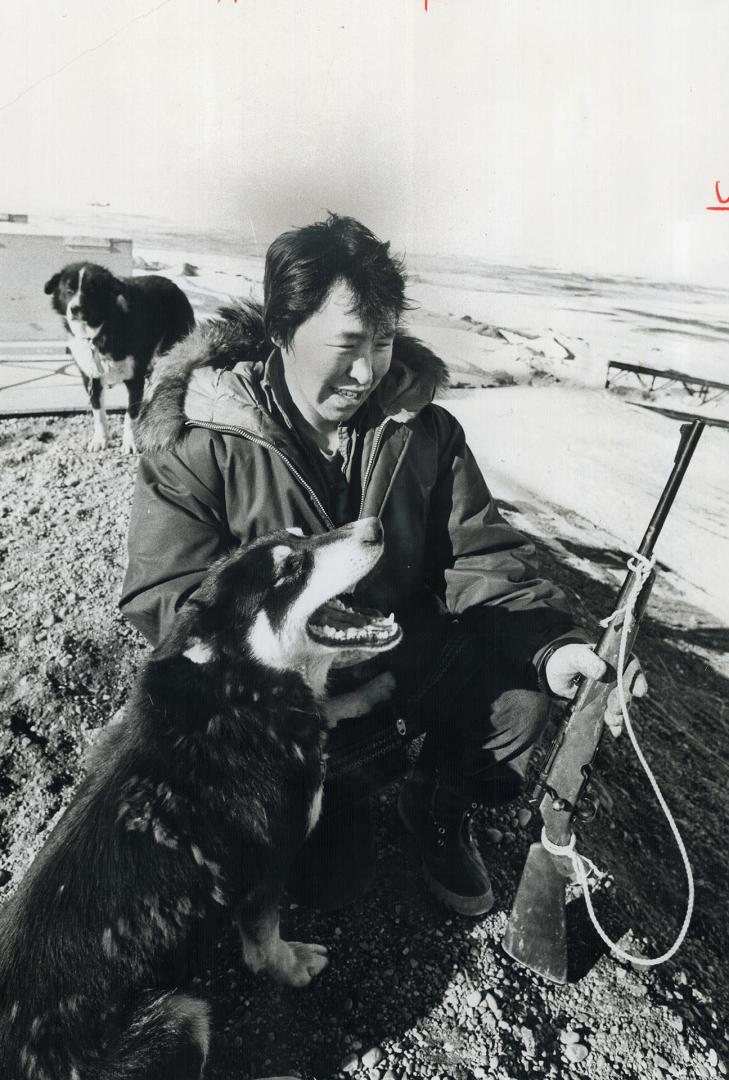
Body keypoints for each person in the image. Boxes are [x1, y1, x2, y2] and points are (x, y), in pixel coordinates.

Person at [120, 213, 645, 915]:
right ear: (280, 332)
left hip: (396, 649)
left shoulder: (424, 431)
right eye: (346, 344)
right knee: (327, 888)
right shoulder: (200, 446)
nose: (367, 370)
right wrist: (295, 690)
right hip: (280, 703)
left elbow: (476, 553)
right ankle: (335, 800)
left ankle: (433, 804)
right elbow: (167, 595)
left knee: (520, 695)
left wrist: (554, 648)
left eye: (384, 340)